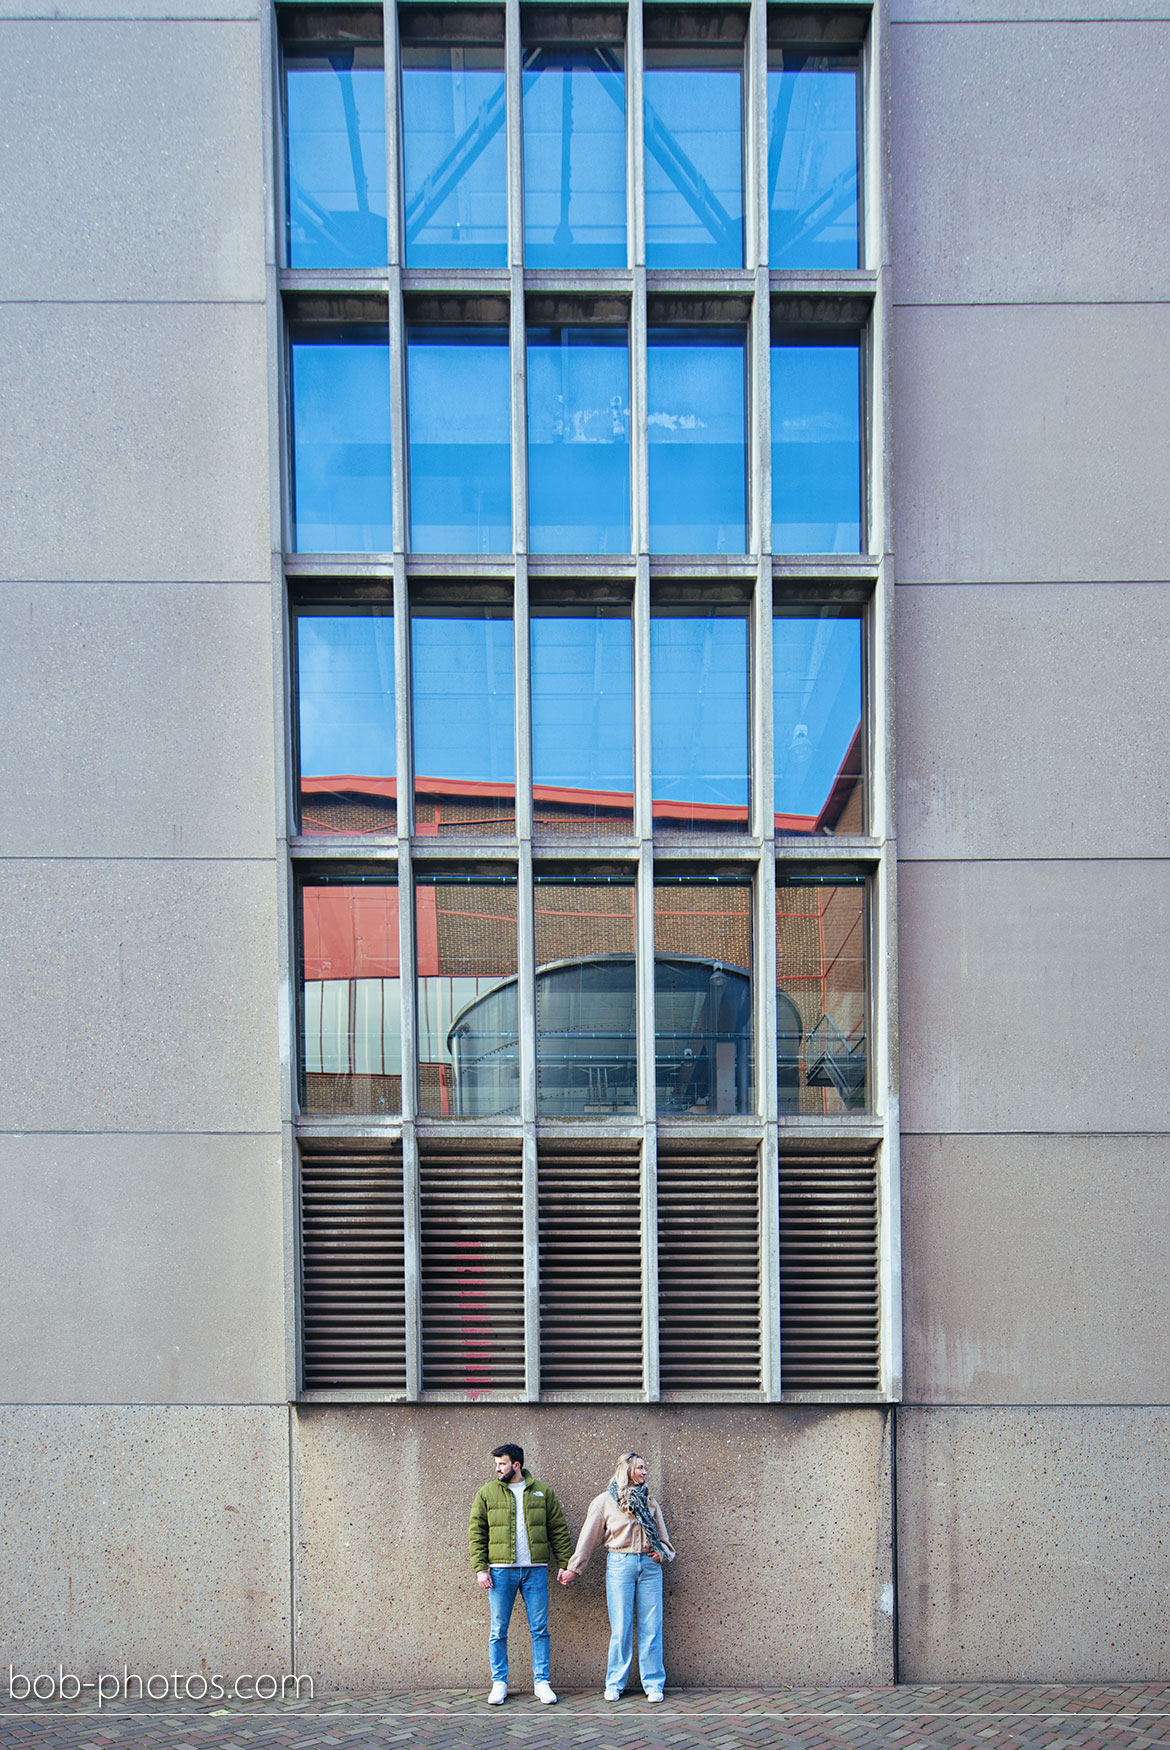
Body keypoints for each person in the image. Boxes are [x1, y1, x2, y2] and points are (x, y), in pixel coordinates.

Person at [559, 1450, 675, 1702]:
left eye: (645, 1468)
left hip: (649, 1567)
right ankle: (614, 1683)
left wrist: (662, 1554)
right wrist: (573, 1568)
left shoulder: (650, 1501)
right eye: (640, 1468)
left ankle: (654, 1684)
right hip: (620, 1564)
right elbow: (588, 1539)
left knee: (651, 1628)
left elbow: (664, 1540)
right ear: (627, 1470)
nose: (645, 1472)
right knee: (621, 1627)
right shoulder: (604, 1501)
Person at [468, 1442, 575, 1706]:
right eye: (496, 1464)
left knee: (540, 1629)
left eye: (502, 1464)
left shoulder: (542, 1492)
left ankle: (542, 1682)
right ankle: (499, 1682)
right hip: (501, 1572)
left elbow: (558, 1529)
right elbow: (476, 1532)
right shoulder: (486, 1493)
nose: (497, 1469)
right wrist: (481, 1568)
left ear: (516, 1465)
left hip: (535, 1571)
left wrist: (566, 1563)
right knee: (498, 1630)